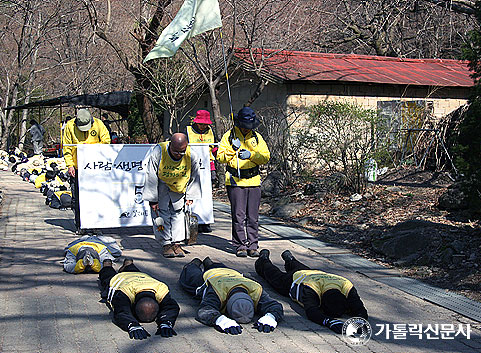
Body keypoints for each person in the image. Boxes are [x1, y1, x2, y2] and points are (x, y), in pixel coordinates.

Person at [255, 249, 369, 334]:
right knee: (272, 274)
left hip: (313, 273)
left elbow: (361, 310)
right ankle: (263, 259)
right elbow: (312, 312)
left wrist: (358, 323)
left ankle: (290, 259)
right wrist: (329, 322)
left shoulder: (347, 287)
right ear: (320, 300)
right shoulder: (312, 289)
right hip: (293, 279)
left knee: (300, 267)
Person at [179, 257, 283, 335]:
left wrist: (271, 317)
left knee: (218, 267)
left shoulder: (255, 290)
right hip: (211, 276)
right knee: (188, 274)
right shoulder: (217, 291)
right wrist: (219, 320)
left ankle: (209, 262)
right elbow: (205, 310)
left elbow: (275, 306)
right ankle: (195, 263)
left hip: (229, 272)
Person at [216, 107, 270, 257]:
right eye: (245, 127)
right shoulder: (229, 136)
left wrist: (251, 155)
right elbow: (220, 158)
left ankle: (253, 245)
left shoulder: (257, 137)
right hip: (235, 181)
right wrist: (232, 149)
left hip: (253, 181)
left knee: (253, 216)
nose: (247, 130)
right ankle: (240, 245)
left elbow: (265, 156)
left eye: (250, 127)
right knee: (238, 215)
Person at [143, 133, 201, 258]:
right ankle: (166, 243)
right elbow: (151, 175)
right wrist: (153, 199)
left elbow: (195, 176)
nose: (179, 155)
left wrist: (190, 195)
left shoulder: (192, 155)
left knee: (178, 215)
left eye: (182, 152)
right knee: (161, 214)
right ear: (170, 145)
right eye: (176, 152)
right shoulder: (158, 151)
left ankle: (177, 243)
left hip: (179, 187)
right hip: (162, 186)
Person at [99, 259, 180, 340]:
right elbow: (121, 311)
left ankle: (128, 265)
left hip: (139, 276)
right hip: (121, 279)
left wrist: (166, 322)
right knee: (107, 276)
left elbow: (172, 307)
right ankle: (107, 266)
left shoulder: (161, 290)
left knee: (134, 271)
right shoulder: (124, 292)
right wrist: (132, 324)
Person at [62, 109, 111, 234]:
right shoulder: (69, 126)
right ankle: (81, 225)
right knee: (77, 197)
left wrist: (91, 148)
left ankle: (95, 225)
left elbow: (106, 141)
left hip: (94, 168)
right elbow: (67, 147)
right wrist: (70, 165)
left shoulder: (99, 124)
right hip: (77, 168)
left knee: (96, 196)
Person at [185, 110, 218, 234]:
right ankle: (194, 220)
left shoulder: (210, 131)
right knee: (193, 192)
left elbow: (214, 148)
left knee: (207, 193)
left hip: (208, 165)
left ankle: (206, 221)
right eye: (201, 124)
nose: (204, 126)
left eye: (205, 124)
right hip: (192, 165)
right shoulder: (187, 131)